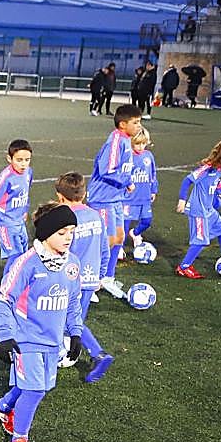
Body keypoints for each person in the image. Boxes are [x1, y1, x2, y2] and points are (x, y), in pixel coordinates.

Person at [0, 202, 83, 442]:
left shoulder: (72, 264)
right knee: (36, 388)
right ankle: (18, 440)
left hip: (52, 342)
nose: (68, 238)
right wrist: (5, 336)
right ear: (46, 233)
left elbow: (73, 301)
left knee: (36, 385)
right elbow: (3, 300)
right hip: (25, 340)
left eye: (71, 231)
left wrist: (76, 333)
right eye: (62, 232)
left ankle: (3, 407)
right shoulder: (26, 264)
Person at [54, 172, 114, 383]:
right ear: (84, 193)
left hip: (71, 280)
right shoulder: (95, 215)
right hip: (90, 280)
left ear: (59, 196)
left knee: (66, 320)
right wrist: (101, 276)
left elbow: (64, 252)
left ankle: (98, 354)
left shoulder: (66, 220)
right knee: (74, 320)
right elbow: (104, 248)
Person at [85, 104, 143, 299]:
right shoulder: (116, 141)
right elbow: (107, 170)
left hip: (116, 198)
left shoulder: (126, 140)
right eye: (135, 123)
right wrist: (127, 182)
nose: (138, 126)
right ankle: (89, 282)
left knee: (119, 237)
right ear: (122, 124)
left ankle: (107, 278)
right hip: (102, 200)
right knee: (105, 242)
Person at [175, 138, 221, 278]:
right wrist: (182, 200)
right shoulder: (207, 168)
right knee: (201, 241)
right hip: (198, 210)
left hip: (208, 209)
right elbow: (187, 181)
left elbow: (211, 186)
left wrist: (218, 193)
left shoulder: (218, 169)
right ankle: (183, 267)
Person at [124, 128, 157, 250]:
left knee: (147, 221)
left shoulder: (148, 156)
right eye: (137, 144)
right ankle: (119, 247)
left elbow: (153, 174)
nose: (141, 146)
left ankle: (136, 233)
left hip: (145, 196)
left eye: (143, 143)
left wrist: (154, 190)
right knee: (124, 224)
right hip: (129, 198)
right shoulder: (127, 157)